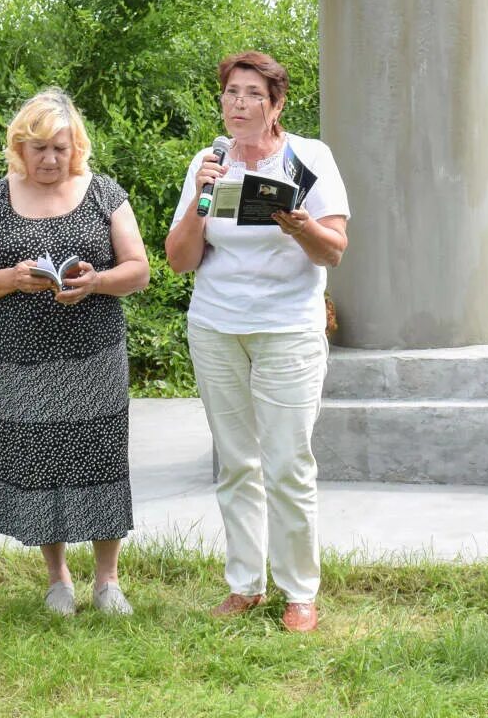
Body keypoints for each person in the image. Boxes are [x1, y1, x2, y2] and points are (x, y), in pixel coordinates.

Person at [164, 51, 350, 633]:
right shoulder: (209, 159)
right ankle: (244, 584)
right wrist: (200, 197)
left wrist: (301, 226)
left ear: (276, 106)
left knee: (288, 461)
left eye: (252, 95)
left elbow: (334, 251)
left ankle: (299, 592)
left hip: (288, 327)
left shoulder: (309, 157)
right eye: (231, 93)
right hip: (216, 325)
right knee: (235, 461)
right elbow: (179, 259)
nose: (238, 104)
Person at [0, 90, 150, 617]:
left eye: (59, 148)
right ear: (20, 146)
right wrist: (11, 278)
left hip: (94, 355)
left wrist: (98, 281)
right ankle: (57, 577)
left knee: (99, 457)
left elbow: (140, 269)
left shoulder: (104, 193)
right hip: (22, 359)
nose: (49, 159)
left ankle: (107, 580)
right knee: (41, 460)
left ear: (76, 146)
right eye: (38, 148)